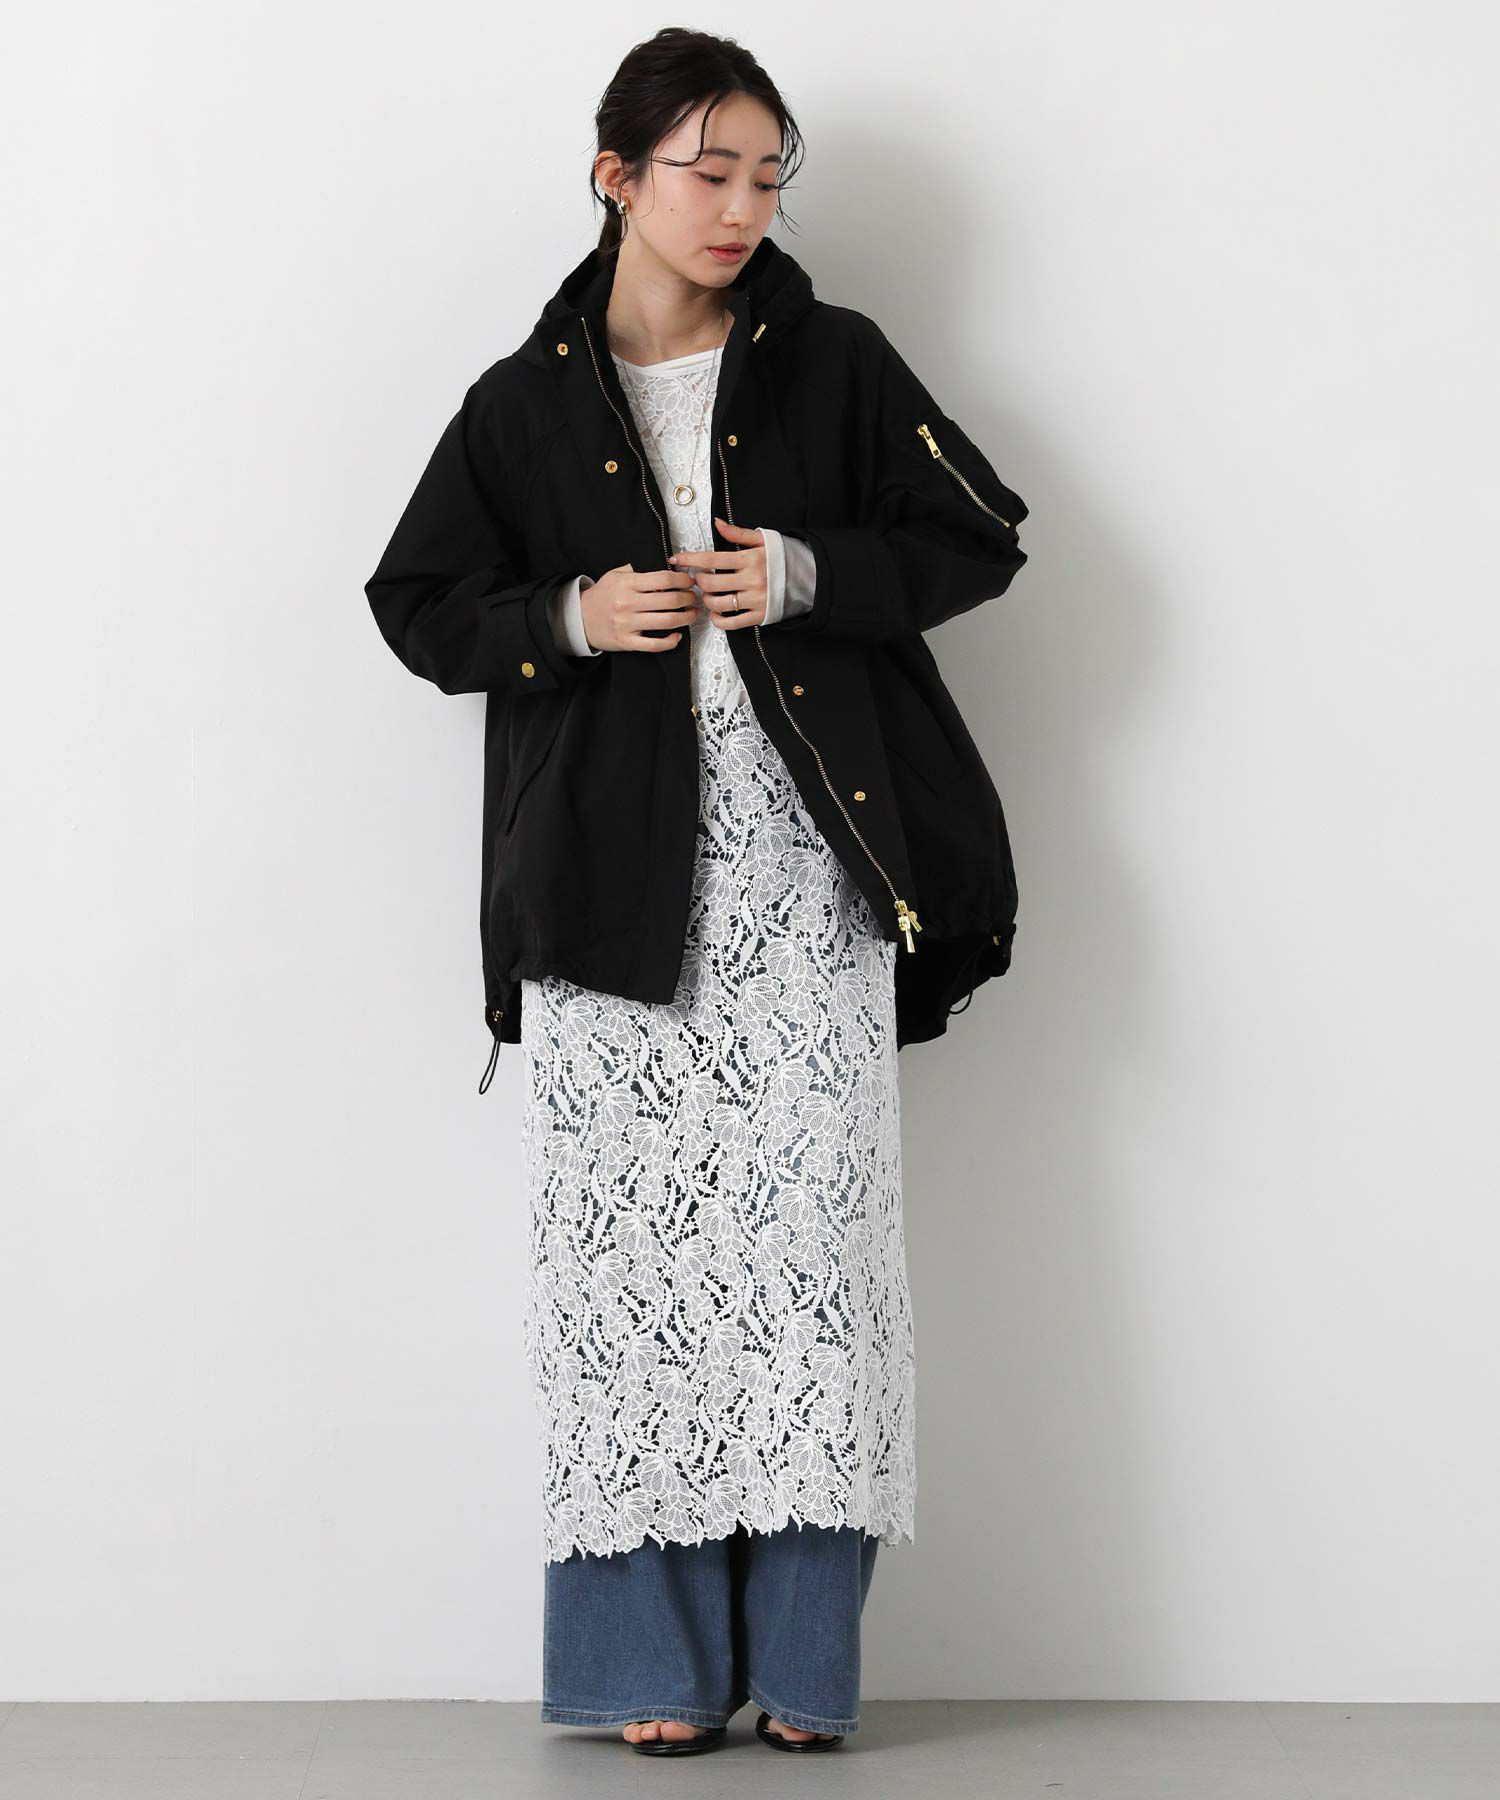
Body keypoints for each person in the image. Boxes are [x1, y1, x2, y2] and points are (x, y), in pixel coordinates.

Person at [364, 26, 1029, 1759]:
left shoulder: (839, 363)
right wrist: (570, 618)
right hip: (605, 893)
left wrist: (808, 573)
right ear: (617, 178)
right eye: (707, 169)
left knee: (811, 1274)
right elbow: (418, 604)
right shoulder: (518, 404)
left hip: (809, 889)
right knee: (630, 1286)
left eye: (767, 175)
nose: (742, 205)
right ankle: (646, 1671)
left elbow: (980, 534)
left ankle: (804, 1672)